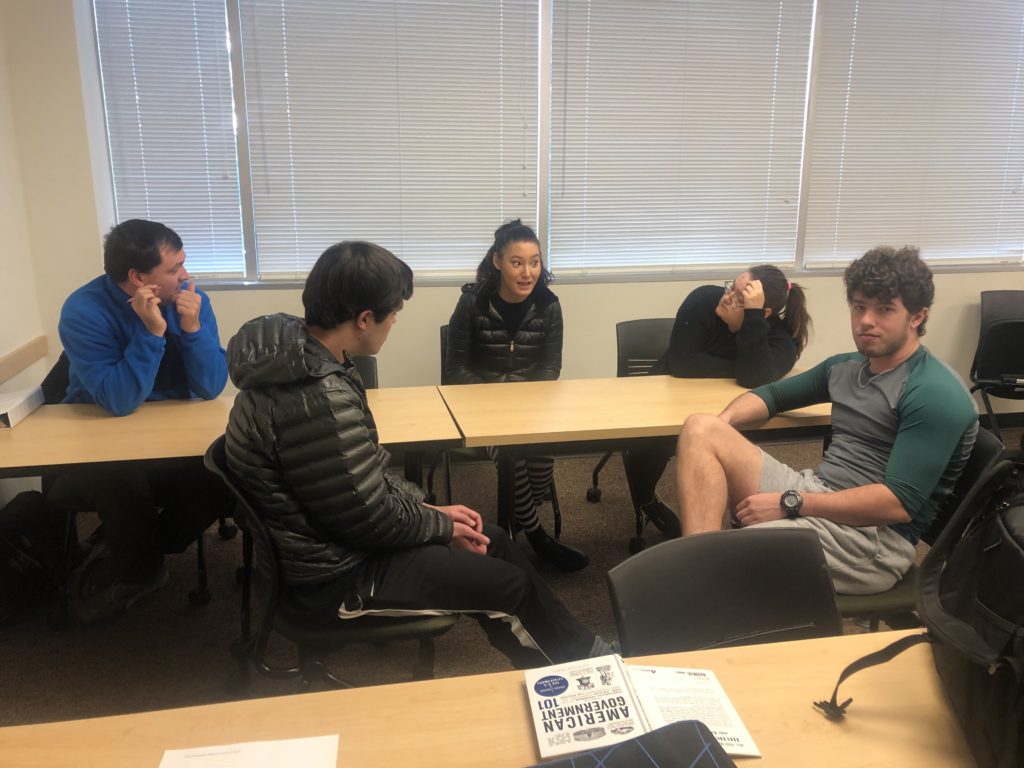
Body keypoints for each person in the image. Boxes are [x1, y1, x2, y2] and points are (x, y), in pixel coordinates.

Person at [224, 240, 611, 668]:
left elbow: (365, 480)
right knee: (507, 588)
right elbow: (369, 517)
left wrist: (431, 509)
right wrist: (437, 525)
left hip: (335, 544)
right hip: (330, 580)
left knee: (490, 537)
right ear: (364, 318)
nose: (394, 323)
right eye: (393, 315)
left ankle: (579, 648)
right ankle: (583, 675)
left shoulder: (309, 360)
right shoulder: (318, 397)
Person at [674, 246, 978, 594]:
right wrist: (726, 421)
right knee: (701, 427)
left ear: (917, 317)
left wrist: (792, 503)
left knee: (723, 554)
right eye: (860, 307)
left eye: (885, 310)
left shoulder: (934, 392)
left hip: (869, 541)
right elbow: (771, 395)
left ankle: (700, 588)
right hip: (817, 493)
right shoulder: (846, 367)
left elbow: (896, 504)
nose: (866, 320)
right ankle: (700, 577)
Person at [53, 219, 230, 622]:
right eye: (174, 269)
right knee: (118, 470)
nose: (187, 276)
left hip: (173, 440)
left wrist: (192, 328)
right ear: (137, 278)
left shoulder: (190, 299)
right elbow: (118, 401)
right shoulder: (83, 311)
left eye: (184, 264)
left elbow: (211, 387)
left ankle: (133, 549)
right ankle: (141, 571)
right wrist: (151, 334)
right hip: (102, 439)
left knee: (229, 469)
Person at [623, 265, 811, 538]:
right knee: (649, 442)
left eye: (738, 298)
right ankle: (647, 500)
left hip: (722, 412)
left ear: (762, 313)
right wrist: (739, 366)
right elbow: (683, 364)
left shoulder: (781, 339)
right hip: (665, 394)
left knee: (728, 443)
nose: (726, 297)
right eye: (730, 288)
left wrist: (751, 322)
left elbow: (753, 378)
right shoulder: (702, 299)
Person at [443, 220, 588, 572]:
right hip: (482, 409)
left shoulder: (549, 305)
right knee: (513, 457)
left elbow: (551, 367)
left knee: (540, 455)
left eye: (535, 262)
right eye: (517, 262)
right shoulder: (471, 304)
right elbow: (454, 371)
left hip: (532, 405)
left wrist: (526, 402)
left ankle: (521, 512)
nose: (528, 272)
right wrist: (496, 401)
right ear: (497, 262)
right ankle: (536, 537)